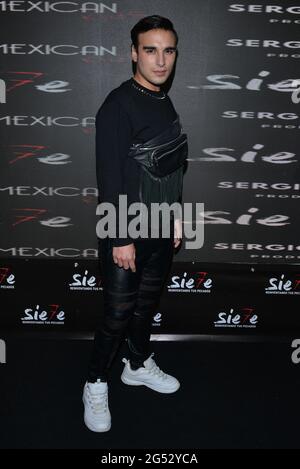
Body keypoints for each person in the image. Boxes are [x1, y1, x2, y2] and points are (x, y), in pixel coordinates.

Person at [83, 15, 188, 432]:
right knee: (117, 314)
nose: (160, 60)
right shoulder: (118, 104)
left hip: (161, 225)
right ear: (133, 53)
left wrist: (177, 216)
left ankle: (138, 364)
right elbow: (109, 177)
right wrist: (121, 238)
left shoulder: (164, 100)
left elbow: (171, 166)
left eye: (168, 50)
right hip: (125, 229)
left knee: (145, 308)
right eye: (150, 50)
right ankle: (94, 383)